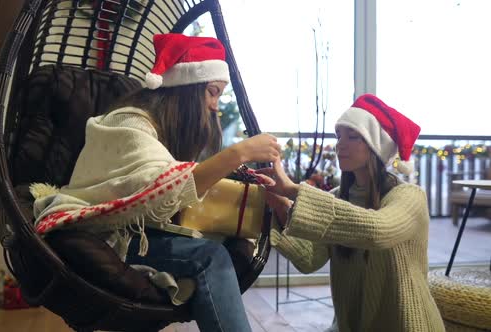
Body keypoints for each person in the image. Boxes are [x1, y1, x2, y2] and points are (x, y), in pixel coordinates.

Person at [31, 33, 280, 332]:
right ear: (188, 88)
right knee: (210, 257)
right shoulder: (130, 123)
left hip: (139, 230)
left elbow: (171, 181)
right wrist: (239, 153)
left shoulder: (160, 129)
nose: (215, 105)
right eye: (212, 92)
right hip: (103, 232)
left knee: (221, 244)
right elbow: (159, 187)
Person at [259, 94, 445, 332]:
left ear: (376, 146)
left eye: (352, 136)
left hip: (406, 325)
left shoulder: (409, 196)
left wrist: (294, 190)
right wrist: (280, 206)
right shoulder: (339, 197)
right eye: (338, 136)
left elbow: (378, 230)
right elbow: (310, 259)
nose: (340, 144)